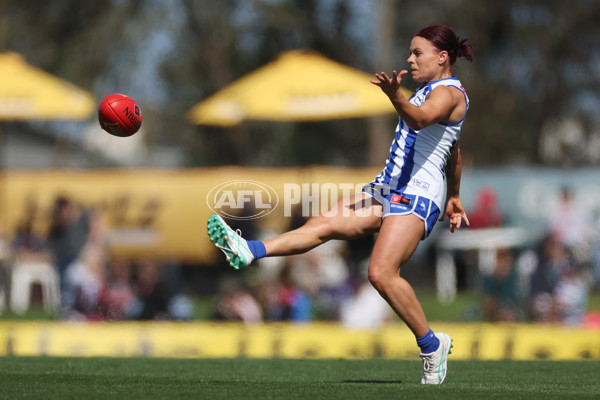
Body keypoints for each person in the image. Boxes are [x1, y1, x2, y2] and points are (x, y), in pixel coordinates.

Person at [207, 24, 472, 385]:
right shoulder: (427, 91)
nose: (409, 59)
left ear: (442, 57)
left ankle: (431, 345)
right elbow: (453, 150)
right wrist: (456, 196)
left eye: (417, 53)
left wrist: (395, 96)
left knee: (380, 273)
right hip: (390, 187)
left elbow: (422, 120)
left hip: (418, 193)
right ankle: (249, 248)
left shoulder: (448, 93)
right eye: (410, 52)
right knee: (322, 224)